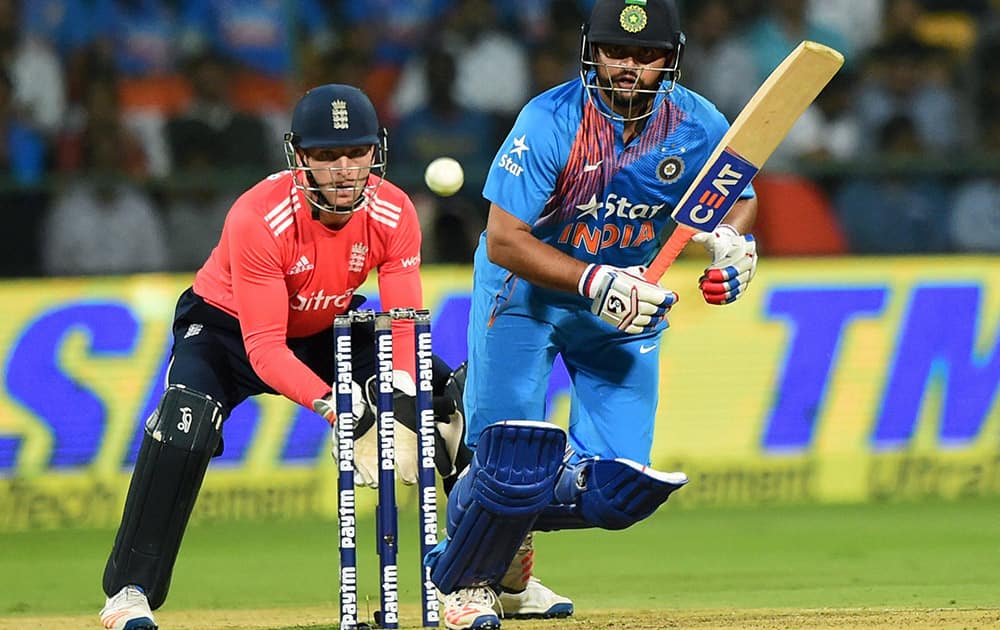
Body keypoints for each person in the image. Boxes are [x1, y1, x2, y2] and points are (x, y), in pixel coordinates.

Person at [425, 1, 759, 629]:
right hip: (525, 295)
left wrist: (733, 245)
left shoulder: (697, 122)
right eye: (617, 52)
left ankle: (495, 516)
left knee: (616, 489)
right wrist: (591, 277)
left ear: (672, 58)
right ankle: (465, 579)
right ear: (593, 52)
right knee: (511, 456)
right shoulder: (550, 121)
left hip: (625, 308)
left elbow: (738, 198)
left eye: (647, 54)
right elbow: (503, 239)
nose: (630, 66)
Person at [97, 84, 459, 630]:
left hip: (327, 324)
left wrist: (404, 391)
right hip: (227, 327)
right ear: (299, 158)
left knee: (443, 399)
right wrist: (342, 408)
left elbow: (405, 324)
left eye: (356, 153)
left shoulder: (394, 211)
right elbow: (264, 347)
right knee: (183, 422)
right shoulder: (259, 217)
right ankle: (129, 592)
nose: (343, 169)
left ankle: (491, 575)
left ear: (375, 152)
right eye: (326, 156)